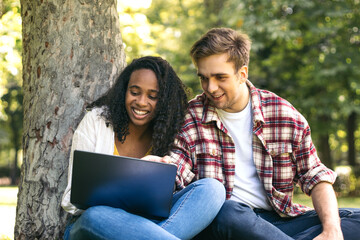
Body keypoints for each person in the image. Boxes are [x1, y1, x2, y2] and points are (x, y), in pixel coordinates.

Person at [148, 28, 360, 240]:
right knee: (228, 212)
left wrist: (332, 230)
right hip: (226, 224)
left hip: (280, 221)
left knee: (353, 220)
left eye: (220, 77)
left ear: (242, 74)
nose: (210, 88)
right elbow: (179, 168)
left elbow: (315, 177)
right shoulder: (192, 117)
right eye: (204, 78)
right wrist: (156, 169)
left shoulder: (283, 114)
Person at [61, 56, 226, 240]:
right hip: (94, 227)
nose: (141, 102)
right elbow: (70, 201)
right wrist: (133, 176)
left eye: (152, 96)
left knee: (212, 189)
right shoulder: (96, 121)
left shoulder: (169, 131)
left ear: (164, 101)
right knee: (96, 215)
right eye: (134, 92)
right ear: (124, 91)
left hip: (144, 227)